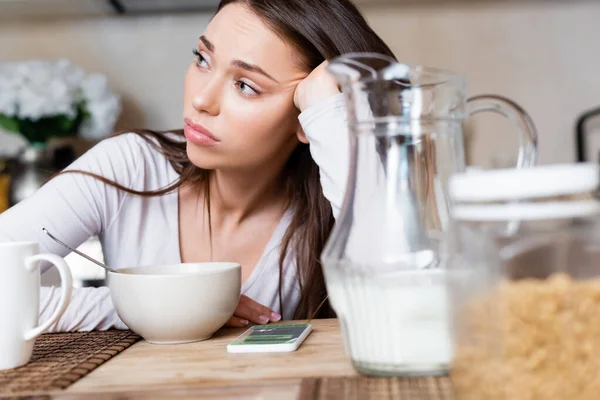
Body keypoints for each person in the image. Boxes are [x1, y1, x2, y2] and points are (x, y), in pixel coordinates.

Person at [0, 0, 395, 331]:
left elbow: (398, 308)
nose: (202, 99)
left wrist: (331, 117)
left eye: (245, 85)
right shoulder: (129, 164)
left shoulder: (332, 198)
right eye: (203, 59)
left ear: (305, 115)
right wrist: (154, 306)